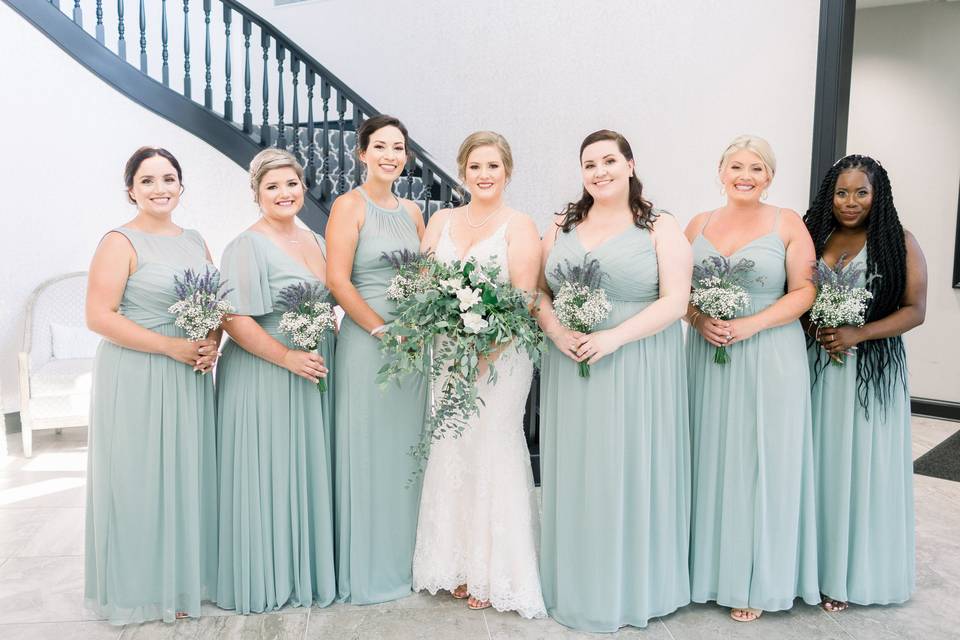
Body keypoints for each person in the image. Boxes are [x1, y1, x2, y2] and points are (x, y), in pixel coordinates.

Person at [537, 129, 693, 631]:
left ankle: (631, 587)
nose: (599, 171)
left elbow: (674, 301)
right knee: (580, 472)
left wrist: (613, 339)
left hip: (636, 363)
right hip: (570, 362)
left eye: (609, 160)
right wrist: (558, 332)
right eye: (589, 164)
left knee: (627, 468)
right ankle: (577, 583)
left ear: (630, 164)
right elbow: (538, 291)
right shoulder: (562, 222)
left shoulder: (659, 225)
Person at [685, 134, 820, 622]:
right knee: (710, 456)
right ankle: (706, 571)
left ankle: (755, 579)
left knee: (762, 461)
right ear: (720, 171)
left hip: (769, 353)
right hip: (707, 355)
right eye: (737, 166)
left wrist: (749, 325)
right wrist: (700, 320)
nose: (746, 175)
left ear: (770, 177)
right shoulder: (697, 224)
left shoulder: (787, 223)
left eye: (757, 167)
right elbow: (676, 290)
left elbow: (804, 291)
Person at [412, 131, 545, 617]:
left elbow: (525, 299)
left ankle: (496, 571)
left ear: (507, 170)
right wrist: (440, 324)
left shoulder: (519, 224)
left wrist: (487, 353)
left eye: (493, 166)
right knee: (453, 445)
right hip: (448, 354)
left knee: (492, 443)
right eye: (475, 167)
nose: (484, 175)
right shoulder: (442, 219)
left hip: (501, 358)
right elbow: (425, 284)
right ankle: (456, 563)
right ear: (463, 171)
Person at [84, 147, 219, 623]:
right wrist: (169, 347)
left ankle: (180, 582)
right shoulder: (120, 241)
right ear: (131, 190)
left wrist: (210, 341)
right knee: (139, 477)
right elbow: (98, 317)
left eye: (169, 178)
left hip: (191, 371)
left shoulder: (196, 239)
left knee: (186, 472)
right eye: (148, 180)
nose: (160, 188)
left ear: (181, 186)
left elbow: (214, 303)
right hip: (138, 371)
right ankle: (141, 588)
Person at [803, 154, 926, 611]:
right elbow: (795, 292)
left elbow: (915, 309)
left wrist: (859, 333)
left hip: (870, 372)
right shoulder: (815, 235)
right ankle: (811, 568)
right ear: (828, 195)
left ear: (878, 196)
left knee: (860, 467)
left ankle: (848, 575)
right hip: (817, 368)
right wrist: (813, 328)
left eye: (861, 192)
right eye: (841, 192)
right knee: (818, 464)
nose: (849, 202)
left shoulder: (900, 242)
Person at [215, 148, 336, 613]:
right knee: (267, 471)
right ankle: (265, 576)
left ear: (303, 188)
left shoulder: (316, 240)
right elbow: (233, 318)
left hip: (313, 368)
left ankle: (303, 571)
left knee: (302, 467)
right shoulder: (246, 245)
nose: (285, 194)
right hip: (265, 371)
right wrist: (286, 356)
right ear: (256, 194)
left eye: (292, 184)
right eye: (273, 187)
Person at [325, 114, 427, 603]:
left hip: (413, 348)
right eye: (381, 146)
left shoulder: (413, 212)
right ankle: (366, 568)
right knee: (367, 452)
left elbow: (425, 279)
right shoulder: (349, 206)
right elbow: (338, 280)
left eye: (399, 147)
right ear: (362, 153)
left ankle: (407, 560)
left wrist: (419, 326)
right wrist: (380, 328)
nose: (390, 155)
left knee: (406, 452)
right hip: (369, 345)